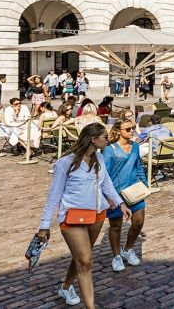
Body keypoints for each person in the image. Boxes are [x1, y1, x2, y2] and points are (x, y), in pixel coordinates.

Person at [36, 123, 130, 308]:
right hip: (72, 216)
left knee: (82, 258)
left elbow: (106, 185)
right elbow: (53, 195)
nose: (108, 138)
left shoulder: (100, 159)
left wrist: (120, 203)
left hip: (97, 214)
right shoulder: (66, 163)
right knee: (86, 260)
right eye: (104, 136)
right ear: (93, 140)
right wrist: (44, 225)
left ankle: (66, 286)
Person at [102, 120, 148, 273]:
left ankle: (127, 249)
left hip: (135, 190)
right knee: (115, 226)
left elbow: (139, 166)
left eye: (133, 128)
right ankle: (116, 256)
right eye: (128, 129)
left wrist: (145, 185)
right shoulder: (109, 150)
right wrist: (108, 196)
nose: (131, 131)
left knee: (138, 222)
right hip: (116, 193)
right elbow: (105, 174)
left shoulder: (135, 146)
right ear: (119, 130)